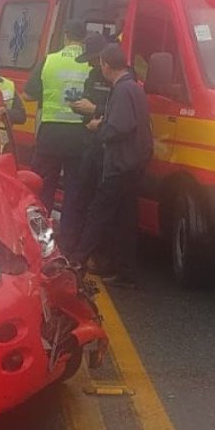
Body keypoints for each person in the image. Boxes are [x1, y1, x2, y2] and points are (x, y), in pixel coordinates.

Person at [71, 44, 153, 289]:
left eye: (101, 65)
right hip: (134, 163)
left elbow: (120, 126)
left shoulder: (122, 89)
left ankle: (76, 263)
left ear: (106, 65)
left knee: (98, 214)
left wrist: (100, 128)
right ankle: (126, 272)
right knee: (125, 220)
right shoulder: (133, 86)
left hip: (119, 164)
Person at [24, 20, 91, 214]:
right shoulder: (91, 63)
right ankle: (69, 236)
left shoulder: (49, 60)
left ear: (66, 36)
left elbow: (28, 94)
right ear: (84, 39)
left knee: (42, 186)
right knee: (74, 190)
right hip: (80, 134)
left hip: (51, 134)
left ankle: (41, 231)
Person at [61, 32, 113, 265]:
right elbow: (88, 102)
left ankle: (95, 255)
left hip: (108, 149)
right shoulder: (93, 76)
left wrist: (96, 112)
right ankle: (72, 248)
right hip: (90, 143)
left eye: (94, 59)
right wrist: (82, 112)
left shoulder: (123, 78)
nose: (92, 64)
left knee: (100, 205)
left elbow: (117, 110)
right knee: (81, 197)